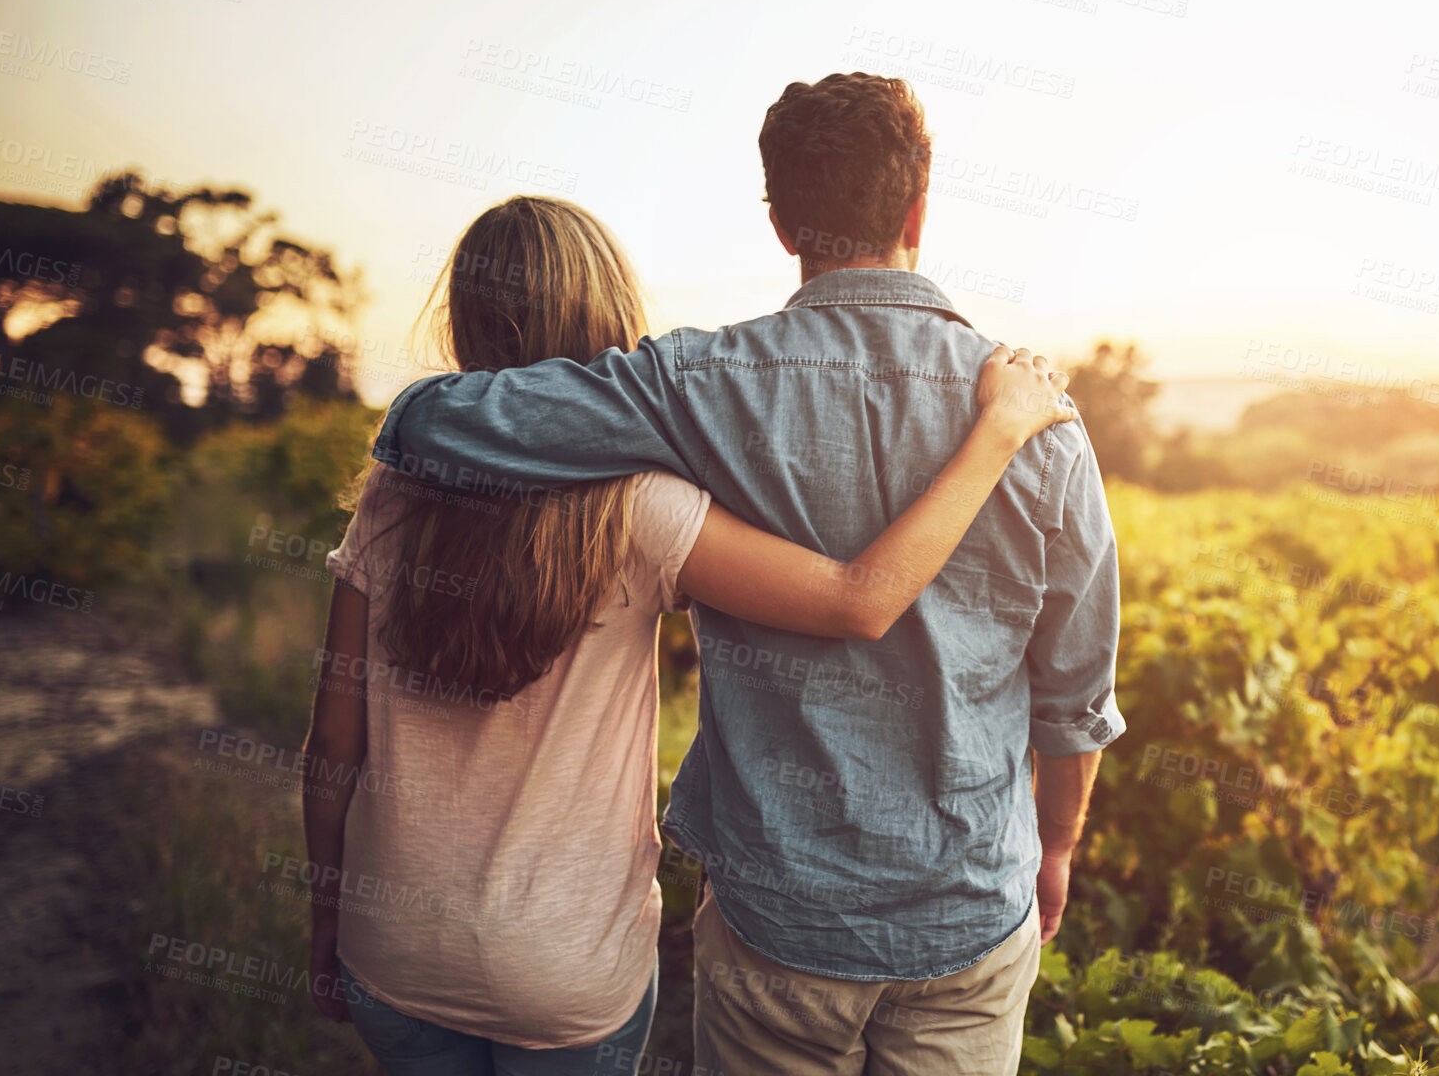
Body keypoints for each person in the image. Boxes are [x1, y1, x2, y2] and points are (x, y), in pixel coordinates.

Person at [368, 73, 1125, 1074]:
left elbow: (424, 422)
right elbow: (1075, 697)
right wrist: (1059, 847)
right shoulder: (1039, 421)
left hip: (776, 917)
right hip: (970, 917)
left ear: (781, 224)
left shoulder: (697, 384)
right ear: (918, 209)